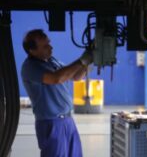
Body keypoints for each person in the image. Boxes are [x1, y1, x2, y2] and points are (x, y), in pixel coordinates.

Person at [21, 29, 93, 157]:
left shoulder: (52, 61)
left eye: (49, 43)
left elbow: (75, 76)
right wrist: (82, 60)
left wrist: (89, 62)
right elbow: (56, 78)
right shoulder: (30, 67)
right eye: (45, 46)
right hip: (51, 123)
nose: (51, 47)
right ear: (32, 50)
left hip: (68, 120)